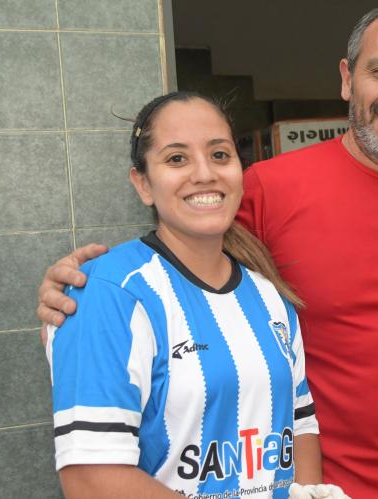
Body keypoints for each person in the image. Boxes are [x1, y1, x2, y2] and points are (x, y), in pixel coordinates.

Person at [38, 3, 378, 497]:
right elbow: (179, 259)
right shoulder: (266, 189)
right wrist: (80, 295)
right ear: (348, 78)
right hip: (316, 484)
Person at [45, 91, 338, 499]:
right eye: (177, 158)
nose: (205, 174)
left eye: (220, 155)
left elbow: (301, 426)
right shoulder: (110, 293)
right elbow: (89, 477)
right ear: (143, 183)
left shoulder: (271, 297)